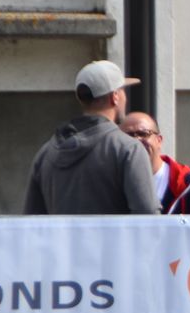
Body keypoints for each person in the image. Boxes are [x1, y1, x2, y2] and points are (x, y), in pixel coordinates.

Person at [23, 60, 161, 215]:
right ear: (115, 97)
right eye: (122, 91)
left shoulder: (46, 153)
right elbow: (148, 218)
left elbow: (31, 221)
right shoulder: (128, 149)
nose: (125, 97)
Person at [122, 112, 190, 214]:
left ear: (159, 140)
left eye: (143, 134)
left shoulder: (188, 186)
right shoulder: (113, 184)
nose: (136, 141)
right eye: (128, 136)